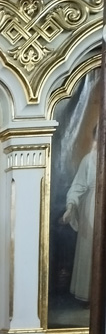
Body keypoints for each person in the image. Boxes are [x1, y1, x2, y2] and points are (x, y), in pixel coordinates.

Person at [61, 124, 98, 304]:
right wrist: (70, 207)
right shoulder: (88, 160)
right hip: (92, 210)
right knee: (91, 250)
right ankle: (91, 296)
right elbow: (77, 186)